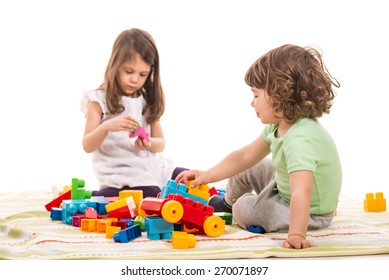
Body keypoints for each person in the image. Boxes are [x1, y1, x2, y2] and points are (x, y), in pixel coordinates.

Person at [176, 44, 342, 249]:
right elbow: (245, 156)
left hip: (309, 212)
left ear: (280, 95)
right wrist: (207, 175)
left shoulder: (301, 139)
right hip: (284, 186)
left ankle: (236, 206)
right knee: (249, 166)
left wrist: (297, 234)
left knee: (242, 209)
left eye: (256, 95)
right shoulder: (280, 124)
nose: (251, 103)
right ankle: (227, 202)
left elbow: (302, 190)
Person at [81, 28, 187, 198]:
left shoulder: (147, 100)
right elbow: (87, 145)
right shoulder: (98, 101)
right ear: (115, 65)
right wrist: (106, 127)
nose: (135, 79)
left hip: (150, 165)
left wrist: (148, 142)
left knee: (189, 178)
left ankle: (215, 202)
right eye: (129, 71)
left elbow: (160, 143)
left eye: (143, 74)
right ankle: (104, 195)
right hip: (119, 172)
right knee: (152, 195)